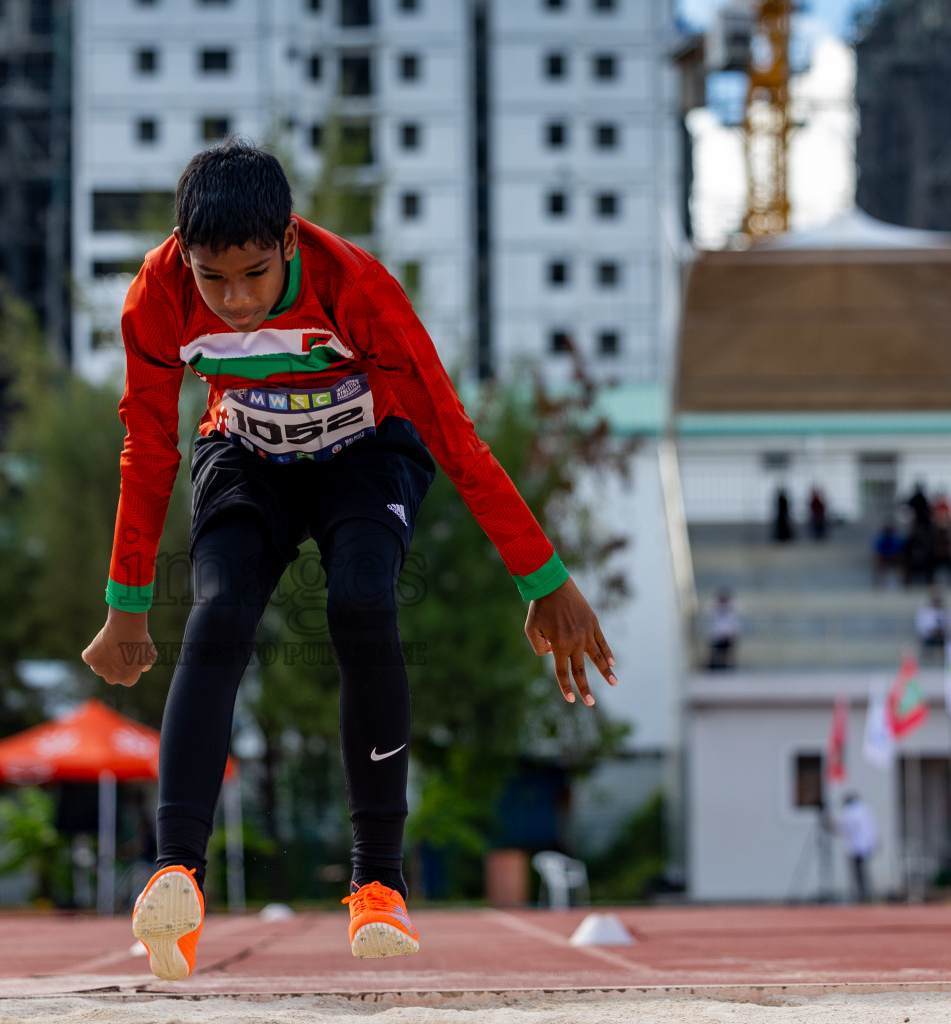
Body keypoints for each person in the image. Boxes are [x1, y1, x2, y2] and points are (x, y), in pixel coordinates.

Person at [80, 141, 616, 981]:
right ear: (183, 254)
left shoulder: (355, 287)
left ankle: (377, 883)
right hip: (244, 453)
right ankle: (174, 872)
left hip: (367, 453)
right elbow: (148, 446)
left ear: (289, 241)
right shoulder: (157, 295)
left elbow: (451, 433)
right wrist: (125, 603)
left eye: (254, 275)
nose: (236, 303)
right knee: (217, 614)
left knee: (361, 603)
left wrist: (543, 577)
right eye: (212, 280)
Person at [836, 793, 879, 903]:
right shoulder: (865, 809)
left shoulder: (850, 811)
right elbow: (872, 826)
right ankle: (868, 894)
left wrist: (832, 826)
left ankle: (861, 896)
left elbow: (844, 827)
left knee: (858, 873)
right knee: (864, 871)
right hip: (867, 845)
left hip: (856, 846)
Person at [707, 589, 740, 670]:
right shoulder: (714, 606)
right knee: (716, 652)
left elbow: (734, 622)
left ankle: (726, 666)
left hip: (727, 636)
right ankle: (716, 666)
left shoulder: (732, 607)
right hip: (717, 636)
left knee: (726, 652)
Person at [915, 589, 948, 663]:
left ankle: (946, 662)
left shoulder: (944, 611)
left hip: (941, 636)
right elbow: (921, 626)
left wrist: (942, 630)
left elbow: (948, 624)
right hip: (929, 636)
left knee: (949, 644)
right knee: (928, 646)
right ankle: (928, 662)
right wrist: (932, 631)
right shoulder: (925, 611)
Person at [872, 520, 903, 587]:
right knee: (878, 561)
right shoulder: (882, 539)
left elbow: (898, 549)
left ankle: (902, 582)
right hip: (884, 557)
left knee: (902, 562)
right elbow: (878, 550)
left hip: (893, 557)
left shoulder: (895, 539)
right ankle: (878, 583)